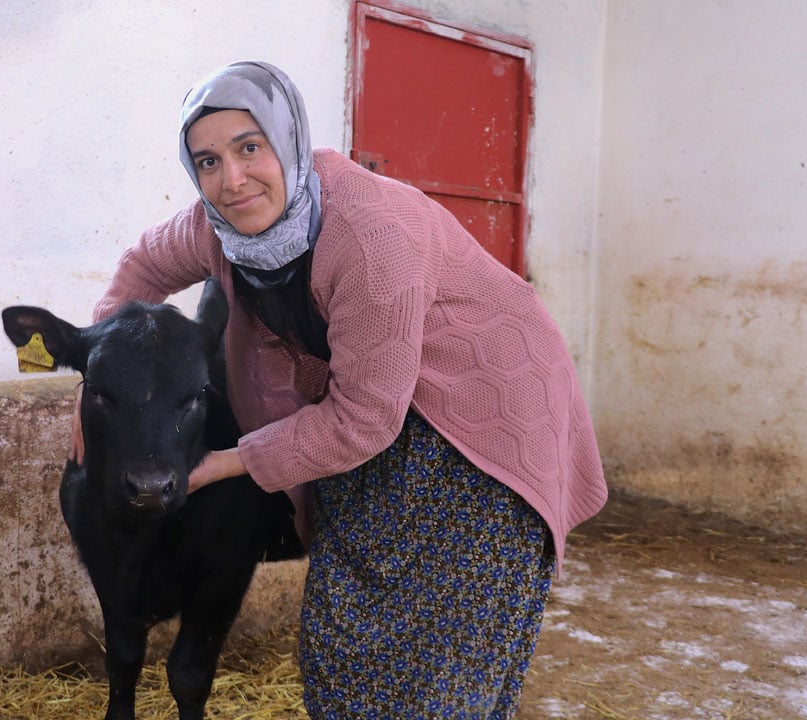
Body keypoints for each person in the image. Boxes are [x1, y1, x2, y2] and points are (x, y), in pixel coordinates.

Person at [77, 60, 608, 719]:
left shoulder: (371, 236)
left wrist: (227, 462)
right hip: (370, 409)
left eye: (250, 147)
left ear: (289, 139)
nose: (232, 179)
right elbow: (139, 269)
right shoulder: (216, 226)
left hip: (480, 416)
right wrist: (97, 379)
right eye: (208, 161)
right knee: (345, 630)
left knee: (443, 648)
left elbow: (363, 420)